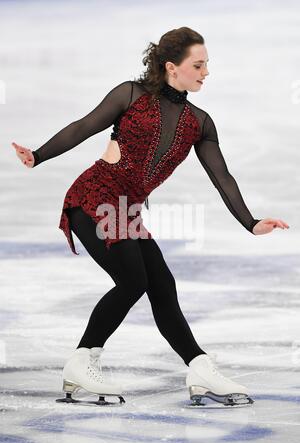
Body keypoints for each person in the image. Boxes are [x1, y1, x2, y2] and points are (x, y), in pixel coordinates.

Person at [12, 27, 289, 406]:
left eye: (207, 64)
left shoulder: (200, 122)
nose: (206, 71)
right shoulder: (131, 94)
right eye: (198, 64)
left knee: (161, 284)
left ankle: (200, 367)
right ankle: (82, 360)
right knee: (133, 280)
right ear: (172, 67)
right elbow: (83, 126)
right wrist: (38, 155)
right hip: (93, 198)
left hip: (126, 210)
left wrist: (251, 222)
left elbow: (221, 176)